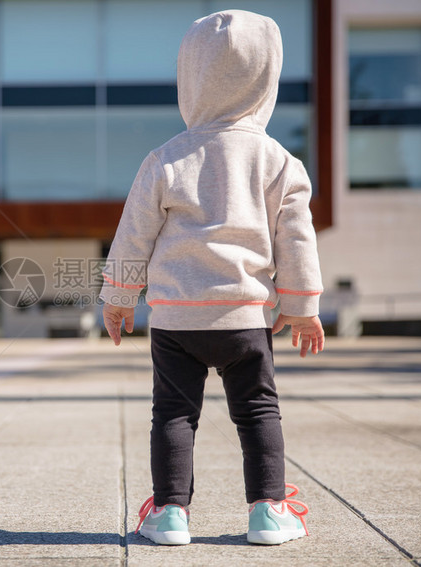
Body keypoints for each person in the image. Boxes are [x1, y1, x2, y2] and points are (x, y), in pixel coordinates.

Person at [100, 10, 324, 547]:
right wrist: (302, 305)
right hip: (246, 319)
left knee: (174, 414)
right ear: (267, 79)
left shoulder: (165, 159)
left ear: (190, 79)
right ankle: (269, 510)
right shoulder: (279, 162)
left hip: (176, 320)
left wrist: (119, 297)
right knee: (258, 411)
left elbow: (134, 235)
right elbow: (296, 238)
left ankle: (171, 514)